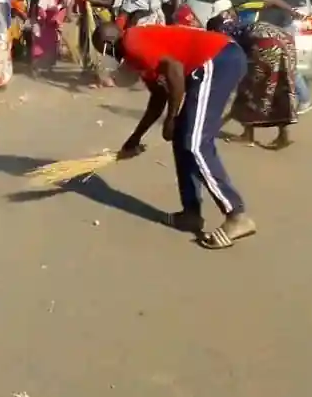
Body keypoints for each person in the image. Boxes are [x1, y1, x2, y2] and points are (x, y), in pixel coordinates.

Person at [94, 20, 254, 250]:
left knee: (196, 143)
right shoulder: (139, 56)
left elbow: (175, 71)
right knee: (182, 138)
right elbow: (158, 98)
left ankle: (237, 215)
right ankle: (191, 213)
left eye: (104, 51)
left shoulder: (132, 43)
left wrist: (171, 118)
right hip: (218, 60)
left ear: (109, 43)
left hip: (217, 59)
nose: (111, 60)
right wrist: (135, 138)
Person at [207, 5, 299, 150]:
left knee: (248, 90)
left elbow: (235, 60)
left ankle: (247, 136)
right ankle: (283, 135)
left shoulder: (223, 32)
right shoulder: (239, 24)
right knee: (279, 90)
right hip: (287, 45)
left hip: (265, 45)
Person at [258, 0, 312, 113]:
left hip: (281, 28)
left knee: (289, 68)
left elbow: (273, 0)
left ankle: (305, 100)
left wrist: (294, 12)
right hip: (275, 28)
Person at [79, 0, 119, 86]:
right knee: (88, 44)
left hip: (104, 17)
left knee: (104, 46)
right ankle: (92, 75)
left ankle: (105, 76)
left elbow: (109, 1)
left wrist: (91, 0)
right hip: (90, 16)